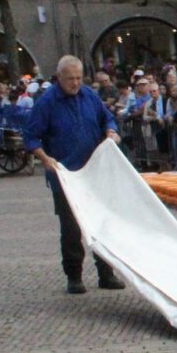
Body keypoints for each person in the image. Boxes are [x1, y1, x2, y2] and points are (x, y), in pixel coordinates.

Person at [22, 56, 126, 295]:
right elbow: (30, 135)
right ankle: (74, 275)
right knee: (70, 228)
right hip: (65, 175)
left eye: (79, 78)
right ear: (59, 78)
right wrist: (45, 159)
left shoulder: (89, 95)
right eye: (70, 79)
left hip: (94, 173)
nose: (75, 83)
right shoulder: (47, 102)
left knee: (101, 224)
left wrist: (111, 131)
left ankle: (106, 273)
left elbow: (107, 118)